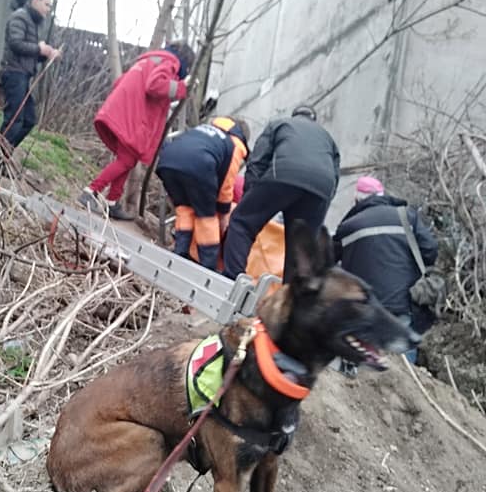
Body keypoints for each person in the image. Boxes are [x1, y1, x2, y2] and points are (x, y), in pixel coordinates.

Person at [222, 104, 340, 280]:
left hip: (284, 174)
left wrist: (248, 199)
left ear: (294, 115)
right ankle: (293, 300)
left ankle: (231, 281)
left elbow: (257, 161)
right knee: (300, 249)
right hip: (321, 188)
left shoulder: (280, 124)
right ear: (314, 120)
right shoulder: (328, 138)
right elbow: (335, 174)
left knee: (242, 223)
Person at [79, 41, 194, 220]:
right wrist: (181, 88)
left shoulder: (151, 60)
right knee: (126, 160)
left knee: (127, 159)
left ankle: (112, 202)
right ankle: (91, 191)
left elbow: (125, 83)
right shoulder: (170, 62)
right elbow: (155, 85)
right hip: (132, 116)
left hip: (123, 110)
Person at [333, 175, 438, 366]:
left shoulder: (347, 227)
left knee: (365, 360)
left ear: (356, 200)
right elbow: (430, 249)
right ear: (383, 195)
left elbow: (328, 263)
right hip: (403, 302)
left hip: (365, 308)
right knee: (403, 367)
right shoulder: (406, 216)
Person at [155, 117, 249, 270]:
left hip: (167, 161)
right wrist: (224, 214)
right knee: (206, 217)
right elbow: (227, 182)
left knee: (184, 209)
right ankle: (207, 268)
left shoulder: (204, 130)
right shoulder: (234, 144)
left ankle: (180, 253)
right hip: (199, 166)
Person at [0, 0, 61, 166]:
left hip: (23, 75)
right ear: (35, 0)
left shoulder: (33, 22)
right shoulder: (20, 17)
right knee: (15, 119)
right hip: (14, 73)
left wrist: (46, 54)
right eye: (46, 4)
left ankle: (2, 155)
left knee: (29, 120)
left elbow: (29, 52)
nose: (48, 9)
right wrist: (39, 49)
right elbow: (16, 44)